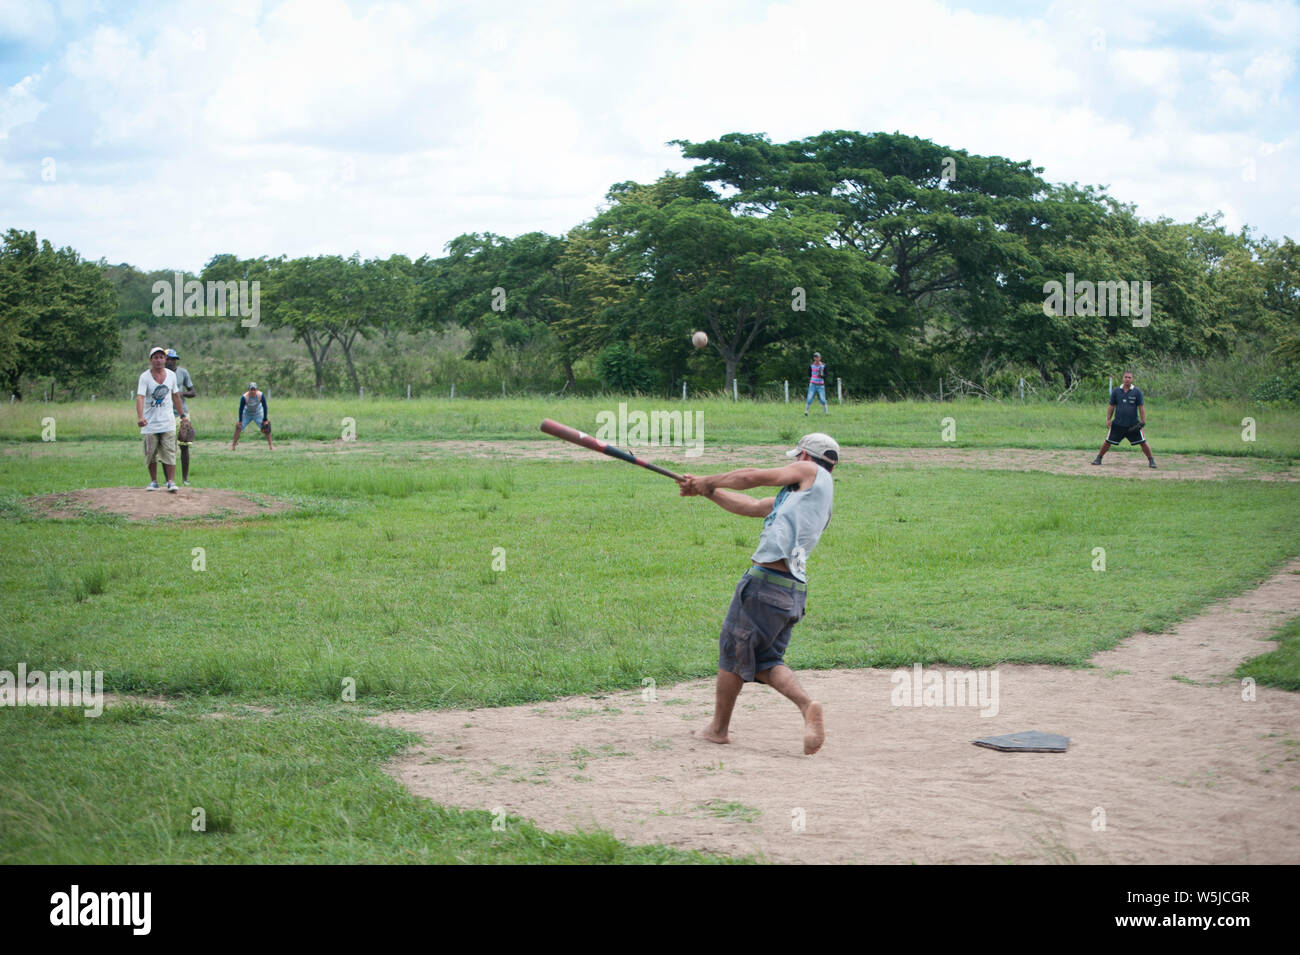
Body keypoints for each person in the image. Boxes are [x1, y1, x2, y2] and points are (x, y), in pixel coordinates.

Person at [677, 432, 839, 755]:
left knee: (731, 646)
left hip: (765, 583)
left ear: (806, 457)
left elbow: (752, 477)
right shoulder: (809, 499)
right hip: (791, 592)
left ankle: (718, 729)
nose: (794, 462)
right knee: (765, 659)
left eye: (797, 457)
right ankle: (808, 707)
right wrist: (706, 491)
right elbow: (752, 506)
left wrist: (709, 479)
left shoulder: (810, 473)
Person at [136, 346, 188, 492]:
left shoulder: (171, 375)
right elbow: (140, 397)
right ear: (150, 360)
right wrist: (140, 417)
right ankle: (154, 481)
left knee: (169, 451)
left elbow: (175, 396)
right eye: (155, 357)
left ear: (165, 359)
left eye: (161, 357)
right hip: (150, 423)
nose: (158, 360)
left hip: (167, 422)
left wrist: (183, 415)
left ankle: (171, 481)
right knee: (150, 453)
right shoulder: (145, 377)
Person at [1093, 371, 1156, 469]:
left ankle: (1151, 460)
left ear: (1132, 379)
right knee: (1107, 441)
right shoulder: (1116, 391)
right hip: (1118, 424)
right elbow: (1111, 406)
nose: (1127, 379)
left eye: (1129, 377)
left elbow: (1141, 407)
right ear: (1123, 378)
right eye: (1126, 377)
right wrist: (1108, 419)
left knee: (1143, 442)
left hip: (1133, 424)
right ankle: (1098, 458)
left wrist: (1143, 421)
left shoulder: (1137, 392)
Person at [164, 349, 197, 485]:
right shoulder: (161, 374)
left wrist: (180, 394)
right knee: (166, 448)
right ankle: (168, 480)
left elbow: (193, 392)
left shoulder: (182, 373)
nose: (170, 361)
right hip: (165, 414)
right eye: (168, 359)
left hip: (181, 413)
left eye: (173, 359)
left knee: (184, 445)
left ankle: (185, 479)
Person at [231, 382, 273, 450]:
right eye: (251, 389)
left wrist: (265, 419)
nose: (253, 391)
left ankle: (271, 446)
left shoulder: (260, 395)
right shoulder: (244, 397)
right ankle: (233, 446)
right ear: (248, 390)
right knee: (238, 427)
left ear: (257, 390)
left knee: (266, 427)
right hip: (247, 413)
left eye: (254, 389)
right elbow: (241, 409)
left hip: (258, 413)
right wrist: (240, 421)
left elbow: (265, 407)